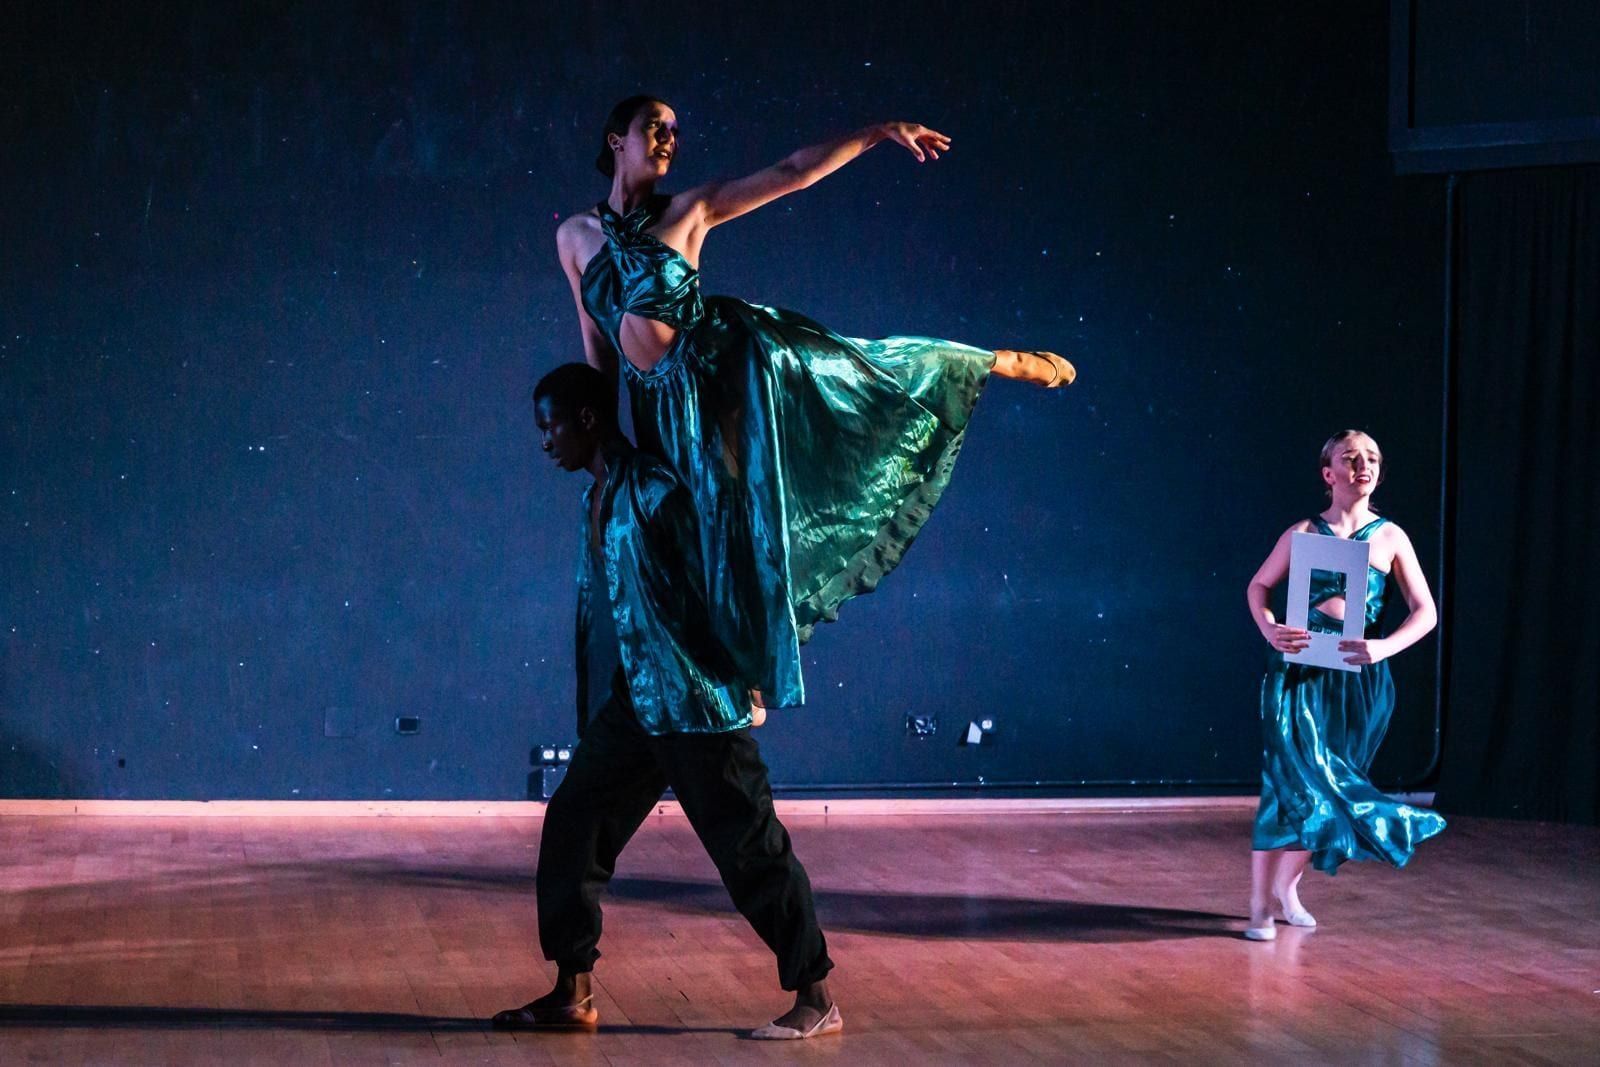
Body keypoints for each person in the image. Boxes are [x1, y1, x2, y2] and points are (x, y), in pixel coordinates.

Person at [557, 95, 1075, 710]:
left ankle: (988, 362)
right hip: (650, 413)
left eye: (675, 130)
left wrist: (879, 132)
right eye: (654, 127)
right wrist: (607, 452)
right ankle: (686, 693)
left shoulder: (689, 211)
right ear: (617, 139)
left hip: (710, 394)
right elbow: (598, 350)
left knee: (740, 517)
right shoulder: (574, 236)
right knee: (665, 542)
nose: (668, 138)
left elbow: (791, 173)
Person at [492, 363, 840, 1039]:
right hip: (638, 701)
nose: (544, 442)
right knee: (573, 820)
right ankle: (573, 989)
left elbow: (722, 575)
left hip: (694, 700)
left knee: (748, 844)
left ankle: (816, 993)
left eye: (550, 425)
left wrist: (752, 673)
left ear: (587, 420)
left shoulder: (652, 489)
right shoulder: (595, 497)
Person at [1242, 429, 1447, 941]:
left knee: (1333, 793)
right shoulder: (1302, 533)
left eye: (1372, 457)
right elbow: (1259, 586)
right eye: (1350, 457)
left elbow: (1426, 613)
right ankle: (1257, 907)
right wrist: (1270, 628)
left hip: (1358, 681)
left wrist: (1382, 647)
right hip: (1299, 677)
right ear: (1327, 473)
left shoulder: (1391, 537)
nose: (1364, 465)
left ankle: (1287, 889)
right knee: (1285, 785)